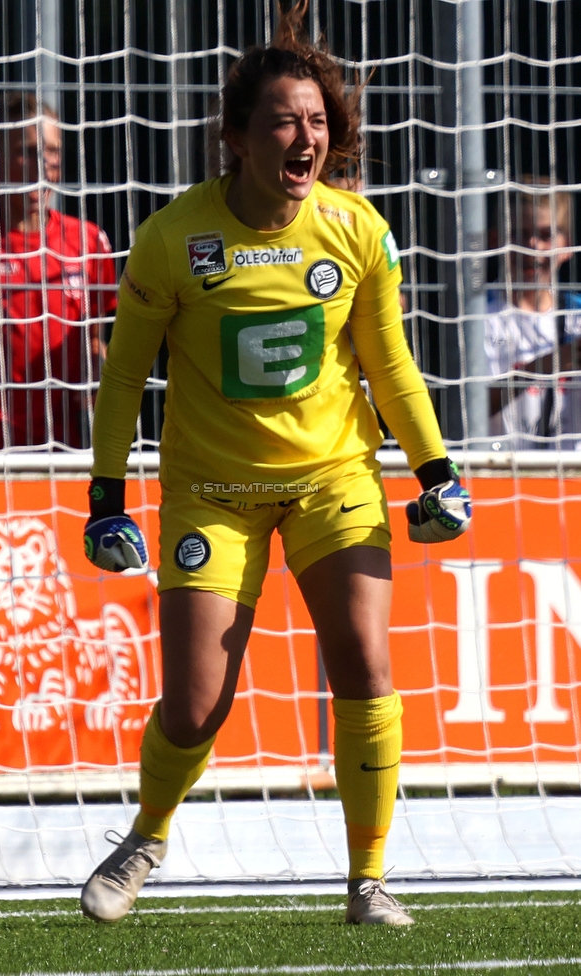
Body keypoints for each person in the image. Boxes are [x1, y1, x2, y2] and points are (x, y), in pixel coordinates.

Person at [81, 1, 471, 927]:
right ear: (238, 137)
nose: (306, 139)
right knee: (195, 707)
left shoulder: (358, 231)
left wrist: (435, 470)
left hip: (334, 478)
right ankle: (146, 835)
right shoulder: (174, 238)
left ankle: (369, 880)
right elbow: (125, 374)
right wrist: (105, 500)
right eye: (285, 122)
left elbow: (390, 363)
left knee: (367, 666)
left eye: (319, 123)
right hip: (211, 495)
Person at [0, 91, 117, 450]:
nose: (43, 164)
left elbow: (95, 337)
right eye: (27, 151)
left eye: (52, 151)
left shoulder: (88, 240)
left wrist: (99, 365)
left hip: (64, 441)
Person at [485, 178, 581, 449]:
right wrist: (551, 363)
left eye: (546, 235)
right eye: (517, 233)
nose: (532, 246)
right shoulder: (475, 316)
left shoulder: (577, 316)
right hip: (495, 474)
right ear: (495, 240)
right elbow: (461, 412)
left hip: (571, 477)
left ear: (567, 246)